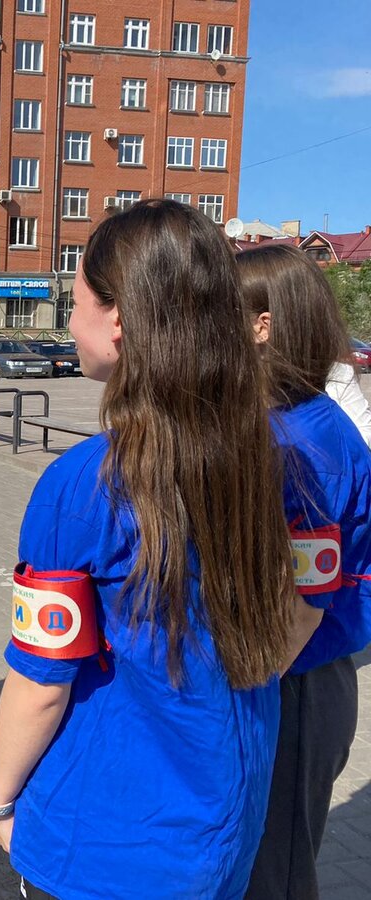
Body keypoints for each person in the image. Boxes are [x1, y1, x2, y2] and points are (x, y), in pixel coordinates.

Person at [0, 200, 321, 899]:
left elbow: (43, 682)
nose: (69, 322)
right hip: (225, 827)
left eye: (75, 302)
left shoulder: (82, 485)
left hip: (105, 845)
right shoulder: (280, 459)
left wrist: (0, 799)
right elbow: (299, 618)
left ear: (121, 322)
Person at [236, 243, 371, 900]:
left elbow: (302, 605)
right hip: (293, 675)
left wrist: (235, 690)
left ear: (263, 325)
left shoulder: (304, 444)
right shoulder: (287, 422)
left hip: (295, 680)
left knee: (277, 876)